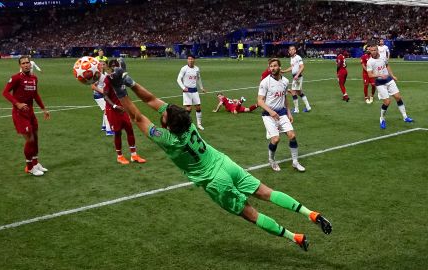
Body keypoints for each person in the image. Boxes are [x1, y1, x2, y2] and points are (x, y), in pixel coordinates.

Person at [107, 64, 332, 252]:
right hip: (226, 164)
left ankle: (295, 237)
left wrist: (119, 89)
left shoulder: (168, 139)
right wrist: (129, 81)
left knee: (252, 215)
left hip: (216, 181)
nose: (161, 112)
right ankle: (310, 213)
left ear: (166, 125)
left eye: (163, 115)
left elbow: (137, 116)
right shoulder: (187, 122)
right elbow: (152, 100)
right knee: (267, 192)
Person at [3, 56, 50, 176]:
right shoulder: (16, 78)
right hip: (20, 114)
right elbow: (5, 92)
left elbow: (35, 95)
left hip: (31, 113)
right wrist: (17, 104)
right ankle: (29, 167)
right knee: (30, 139)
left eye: (27, 63)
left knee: (36, 138)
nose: (26, 65)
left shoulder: (34, 78)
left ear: (30, 64)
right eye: (23, 63)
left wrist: (43, 108)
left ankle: (36, 163)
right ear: (20, 65)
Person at [258, 58, 306, 172]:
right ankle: (272, 160)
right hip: (268, 114)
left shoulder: (284, 81)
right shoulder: (265, 82)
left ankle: (295, 162)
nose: (272, 68)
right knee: (275, 139)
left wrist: (289, 112)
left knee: (292, 136)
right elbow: (259, 101)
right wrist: (271, 111)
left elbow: (284, 97)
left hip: (282, 113)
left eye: (275, 66)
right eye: (271, 66)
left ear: (279, 67)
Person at [104, 59, 146, 164]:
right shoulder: (108, 79)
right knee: (117, 133)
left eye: (116, 65)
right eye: (112, 66)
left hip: (123, 109)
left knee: (130, 130)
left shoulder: (121, 78)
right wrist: (114, 106)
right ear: (109, 67)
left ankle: (134, 155)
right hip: (113, 110)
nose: (114, 67)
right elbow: (105, 96)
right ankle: (120, 156)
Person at [366, 45, 413, 129]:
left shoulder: (383, 57)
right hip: (380, 83)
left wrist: (392, 75)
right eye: (371, 50)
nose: (372, 52)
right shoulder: (370, 62)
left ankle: (405, 117)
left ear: (377, 50)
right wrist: (379, 75)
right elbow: (370, 75)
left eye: (374, 50)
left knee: (398, 97)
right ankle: (382, 119)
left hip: (389, 80)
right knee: (387, 102)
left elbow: (387, 66)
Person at [176, 54, 206, 130]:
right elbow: (178, 79)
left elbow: (198, 79)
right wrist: (183, 87)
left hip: (195, 90)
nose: (190, 60)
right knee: (188, 109)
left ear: (194, 60)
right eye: (189, 59)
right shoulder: (184, 69)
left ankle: (199, 124)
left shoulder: (197, 69)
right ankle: (185, 124)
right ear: (187, 60)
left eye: (191, 59)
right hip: (187, 91)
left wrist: (201, 88)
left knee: (198, 107)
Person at [282, 46, 311, 113]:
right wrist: (284, 71)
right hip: (296, 77)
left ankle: (296, 109)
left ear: (295, 51)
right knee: (299, 93)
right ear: (289, 51)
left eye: (293, 49)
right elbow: (292, 67)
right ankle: (308, 107)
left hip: (297, 77)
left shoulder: (298, 57)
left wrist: (297, 75)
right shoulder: (292, 58)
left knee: (293, 92)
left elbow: (302, 67)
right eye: (290, 50)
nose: (291, 51)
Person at [91, 60, 113, 135]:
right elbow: (93, 86)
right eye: (101, 64)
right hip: (98, 95)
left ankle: (104, 126)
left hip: (104, 95)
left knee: (106, 110)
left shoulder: (106, 74)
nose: (102, 66)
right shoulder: (97, 75)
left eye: (104, 64)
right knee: (107, 111)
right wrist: (103, 92)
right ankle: (109, 130)